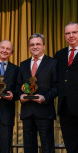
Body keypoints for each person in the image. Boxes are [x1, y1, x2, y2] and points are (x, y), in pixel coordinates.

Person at [17, 33, 58, 153]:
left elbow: (57, 86)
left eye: (38, 44)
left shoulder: (53, 63)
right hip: (27, 111)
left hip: (45, 111)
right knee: (29, 148)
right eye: (32, 45)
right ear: (29, 47)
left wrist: (45, 97)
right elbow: (18, 85)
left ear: (44, 46)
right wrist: (20, 95)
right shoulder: (23, 64)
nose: (35, 47)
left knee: (47, 146)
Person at [55, 22, 78, 153]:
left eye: (74, 32)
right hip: (65, 109)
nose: (71, 36)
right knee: (70, 145)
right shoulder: (59, 55)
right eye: (67, 33)